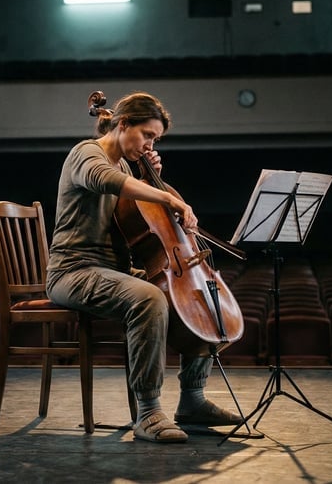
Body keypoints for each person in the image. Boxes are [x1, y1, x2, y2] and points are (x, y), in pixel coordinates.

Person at [46, 91, 241, 443]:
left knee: (199, 296)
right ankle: (148, 412)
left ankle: (192, 399)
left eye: (155, 138)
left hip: (111, 271)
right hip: (73, 271)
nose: (151, 143)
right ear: (123, 124)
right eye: (147, 135)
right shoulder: (86, 154)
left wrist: (151, 179)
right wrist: (165, 195)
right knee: (149, 298)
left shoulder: (124, 166)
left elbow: (135, 216)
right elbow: (103, 179)